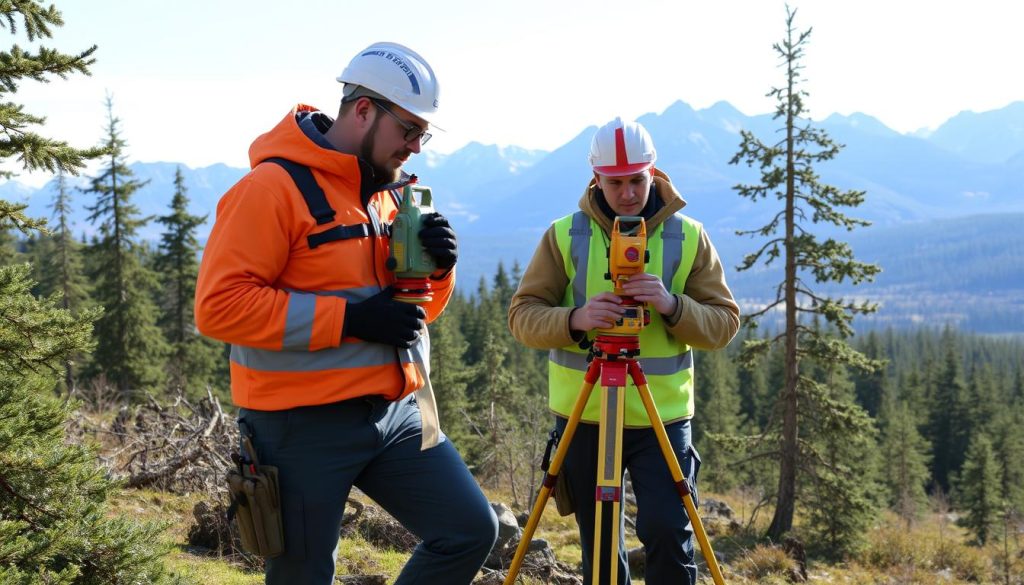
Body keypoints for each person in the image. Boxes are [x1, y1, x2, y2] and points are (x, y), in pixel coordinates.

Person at [195, 42, 497, 585]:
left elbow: (412, 316)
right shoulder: (271, 189)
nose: (415, 147)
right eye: (408, 130)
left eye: (422, 134)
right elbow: (219, 307)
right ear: (363, 111)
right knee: (303, 576)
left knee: (470, 530)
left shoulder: (389, 195)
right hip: (299, 425)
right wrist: (350, 321)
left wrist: (438, 271)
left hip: (395, 413)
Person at [508, 117, 739, 585]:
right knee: (598, 545)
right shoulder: (565, 235)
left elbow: (723, 326)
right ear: (596, 180)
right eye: (616, 183)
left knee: (668, 536)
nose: (629, 193)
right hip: (585, 414)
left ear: (653, 172)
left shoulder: (688, 236)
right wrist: (576, 319)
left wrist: (672, 306)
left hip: (663, 418)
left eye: (637, 180)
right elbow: (522, 317)